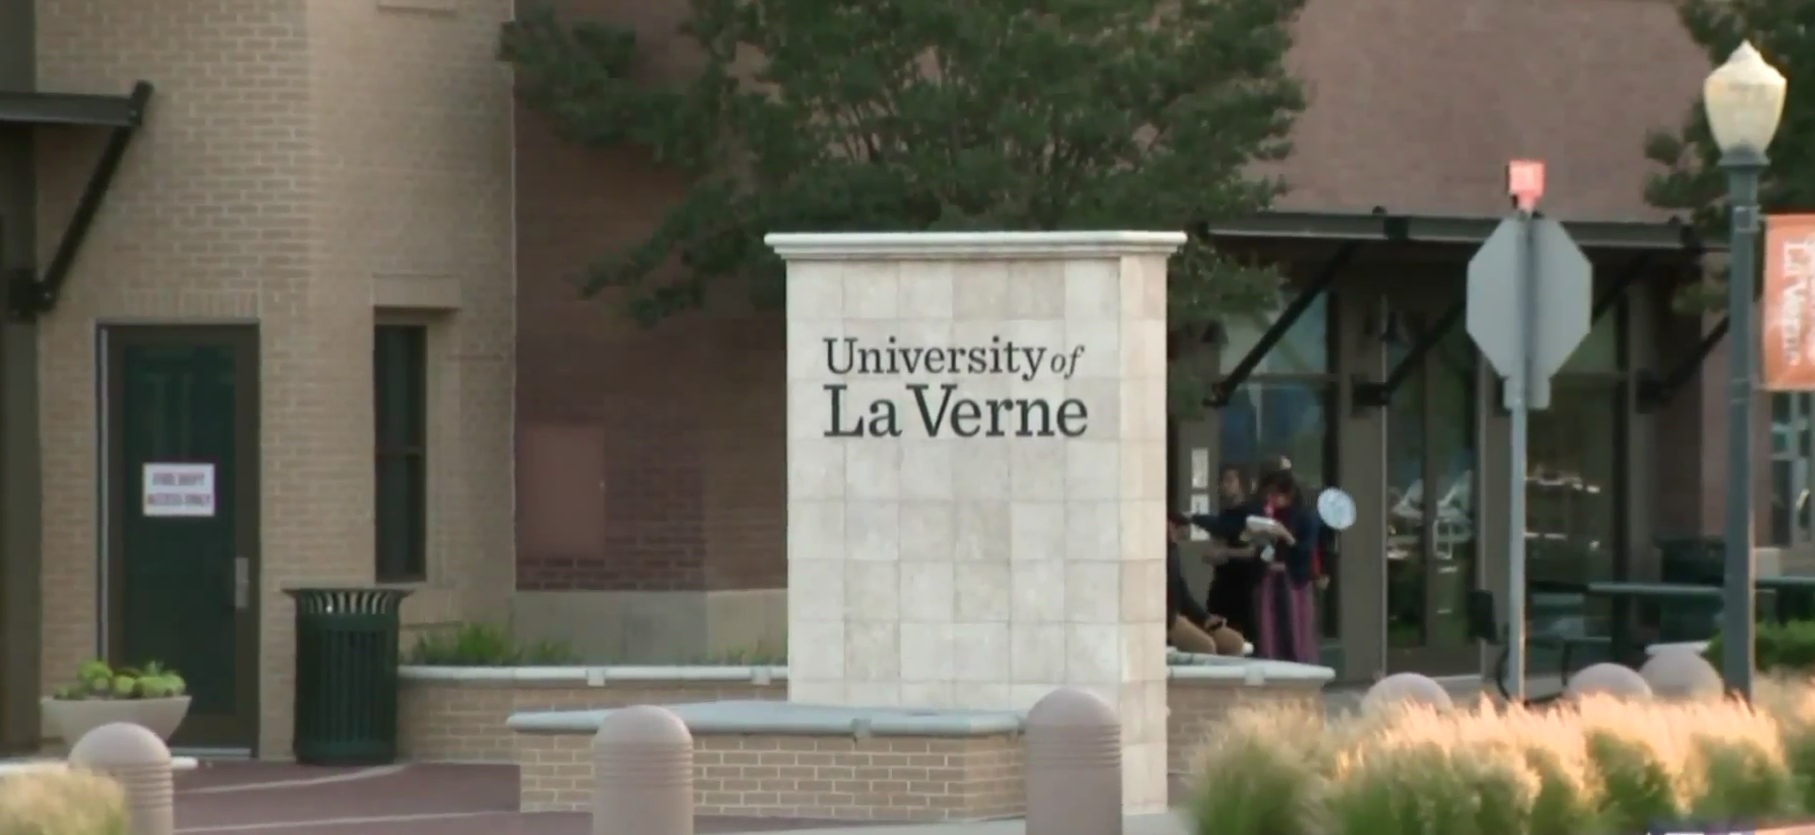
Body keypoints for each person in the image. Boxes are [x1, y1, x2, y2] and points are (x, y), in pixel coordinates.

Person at [1250, 469, 1320, 663]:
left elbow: (1305, 550)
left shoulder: (1305, 516)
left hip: (1294, 582)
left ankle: (1299, 661)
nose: (1271, 499)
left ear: (1287, 494)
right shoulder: (1270, 514)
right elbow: (1263, 549)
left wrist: (1285, 535)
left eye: (1275, 494)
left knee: (1296, 629)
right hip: (1271, 579)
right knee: (1270, 629)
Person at [1194, 464, 1260, 640]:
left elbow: (1256, 551)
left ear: (1242, 484)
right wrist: (1213, 556)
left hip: (1245, 586)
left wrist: (1226, 552)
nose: (1225, 485)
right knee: (1217, 631)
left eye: (1230, 480)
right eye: (1222, 480)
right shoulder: (1225, 515)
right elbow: (1220, 543)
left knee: (1244, 637)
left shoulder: (1252, 513)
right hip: (1222, 584)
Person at [1167, 512, 1246, 655]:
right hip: (1167, 618)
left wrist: (1204, 618)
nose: (1179, 535)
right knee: (1205, 646)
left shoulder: (1173, 552)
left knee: (1234, 643)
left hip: (1181, 615)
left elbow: (1182, 592)